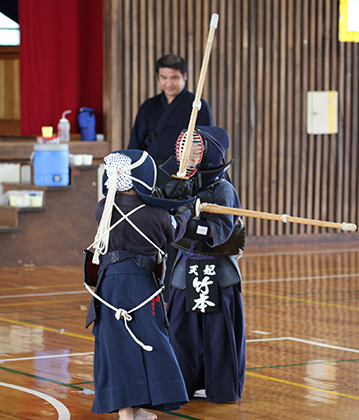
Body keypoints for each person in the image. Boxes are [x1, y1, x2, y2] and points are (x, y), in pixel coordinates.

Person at [84, 149, 196, 420]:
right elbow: (174, 230)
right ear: (140, 178)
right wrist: (186, 209)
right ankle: (129, 412)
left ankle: (131, 410)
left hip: (108, 285)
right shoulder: (154, 215)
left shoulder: (103, 208)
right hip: (140, 285)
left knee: (119, 345)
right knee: (149, 342)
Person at [164, 126, 246, 404]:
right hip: (185, 268)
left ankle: (220, 388)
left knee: (217, 336)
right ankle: (183, 387)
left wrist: (189, 223)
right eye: (183, 150)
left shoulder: (223, 189)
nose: (186, 156)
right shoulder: (180, 184)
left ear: (207, 154)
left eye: (194, 150)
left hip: (216, 271)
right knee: (181, 334)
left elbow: (220, 230)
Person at [128, 54, 214, 165]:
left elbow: (207, 146)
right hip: (152, 171)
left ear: (185, 76)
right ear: (158, 77)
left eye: (174, 78)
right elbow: (136, 145)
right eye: (163, 78)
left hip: (184, 173)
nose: (169, 83)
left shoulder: (198, 106)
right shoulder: (148, 106)